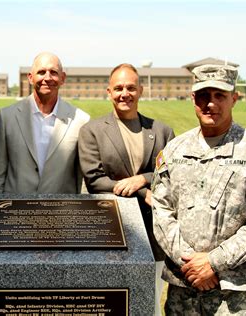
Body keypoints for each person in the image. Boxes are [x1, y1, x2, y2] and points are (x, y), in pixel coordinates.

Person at [152, 64, 246, 314]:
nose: (210, 103)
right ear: (193, 98)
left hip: (236, 296)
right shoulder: (174, 151)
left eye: (220, 95)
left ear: (234, 98)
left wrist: (213, 263)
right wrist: (191, 264)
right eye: (203, 95)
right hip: (184, 291)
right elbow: (161, 212)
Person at [78, 63, 174, 316]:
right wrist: (143, 191)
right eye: (118, 88)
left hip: (154, 236)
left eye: (131, 87)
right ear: (108, 92)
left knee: (150, 302)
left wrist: (143, 178)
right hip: (109, 231)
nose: (125, 93)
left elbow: (174, 175)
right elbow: (95, 180)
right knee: (108, 302)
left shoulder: (162, 131)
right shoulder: (92, 131)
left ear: (140, 90)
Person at [0, 52, 90, 193]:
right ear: (31, 78)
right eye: (41, 72)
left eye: (53, 72)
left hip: (61, 210)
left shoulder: (81, 120)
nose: (47, 78)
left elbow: (82, 179)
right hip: (16, 209)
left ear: (62, 78)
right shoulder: (7, 117)